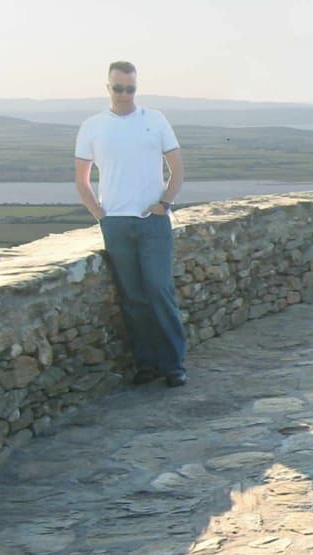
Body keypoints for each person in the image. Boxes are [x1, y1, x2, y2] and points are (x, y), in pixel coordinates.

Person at [73, 60, 187, 388]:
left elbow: (177, 167)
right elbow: (82, 179)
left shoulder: (155, 120)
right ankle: (147, 364)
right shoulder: (92, 126)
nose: (125, 94)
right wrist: (101, 215)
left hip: (153, 221)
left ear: (137, 87)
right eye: (118, 88)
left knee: (159, 289)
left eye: (130, 88)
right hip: (116, 223)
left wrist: (164, 203)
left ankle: (173, 364)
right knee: (133, 296)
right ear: (108, 87)